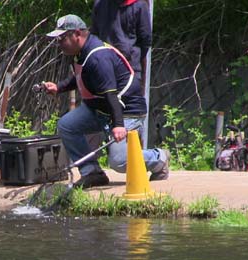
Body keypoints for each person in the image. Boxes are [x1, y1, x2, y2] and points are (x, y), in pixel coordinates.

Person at [42, 14, 169, 189]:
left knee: (119, 161)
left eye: (62, 38)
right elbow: (80, 78)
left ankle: (158, 157)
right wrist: (59, 87)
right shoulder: (81, 53)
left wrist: (118, 125)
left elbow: (112, 95)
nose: (59, 43)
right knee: (67, 125)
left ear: (77, 34)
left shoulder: (97, 57)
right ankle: (92, 173)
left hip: (125, 111)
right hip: (101, 109)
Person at [91, 0, 151, 94]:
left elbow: (145, 39)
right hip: (105, 70)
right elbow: (94, 36)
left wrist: (132, 55)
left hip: (129, 70)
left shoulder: (139, 5)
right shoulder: (99, 4)